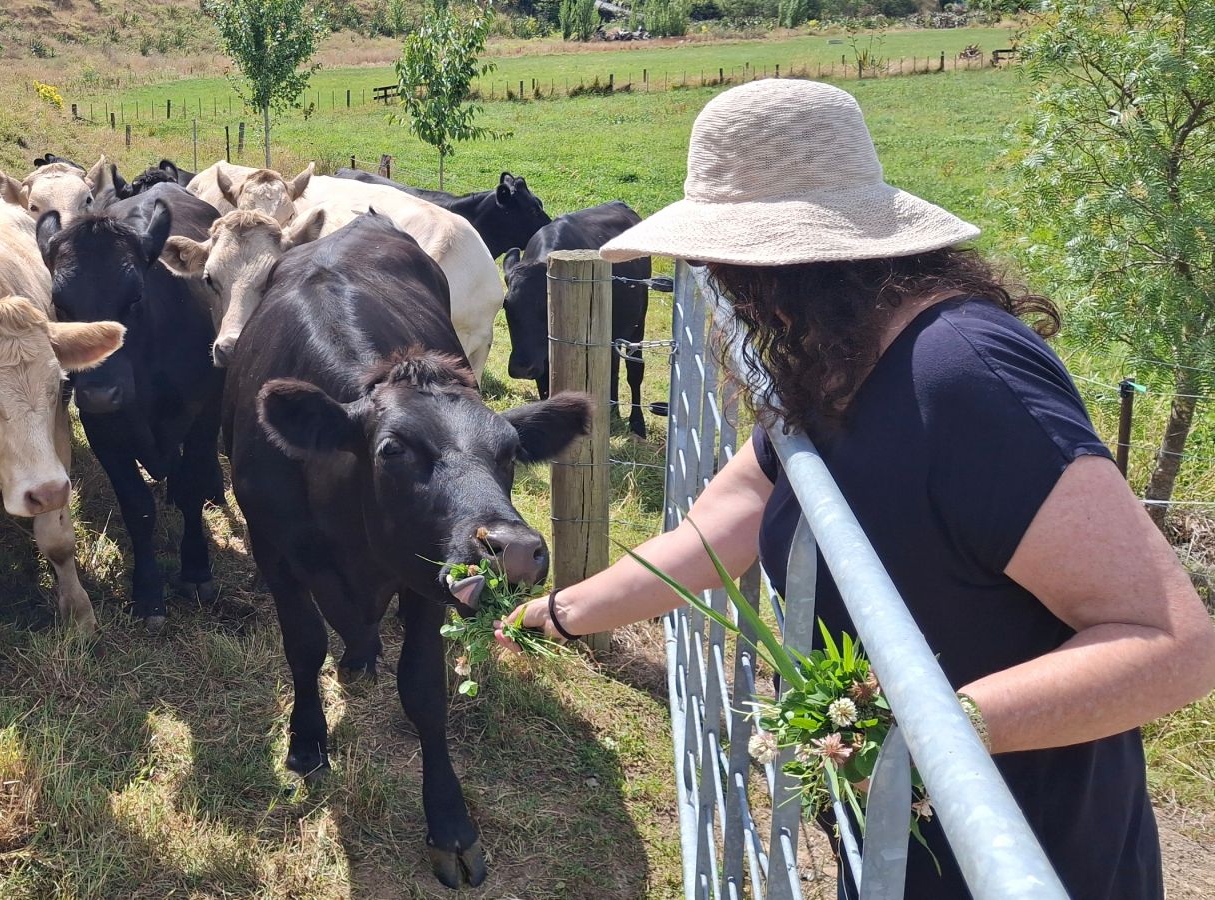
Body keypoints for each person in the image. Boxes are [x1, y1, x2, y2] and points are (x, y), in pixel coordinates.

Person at [498, 78, 1215, 898]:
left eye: (718, 263)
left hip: (1021, 849)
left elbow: (1173, 642)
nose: (717, 287)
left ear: (776, 266)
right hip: (896, 834)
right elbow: (726, 520)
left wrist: (921, 741)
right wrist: (555, 615)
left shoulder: (963, 377)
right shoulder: (837, 362)